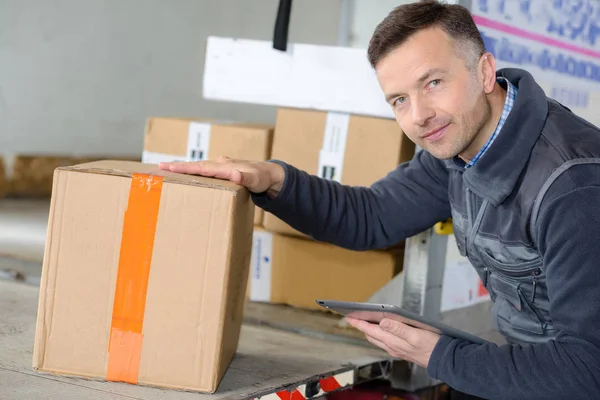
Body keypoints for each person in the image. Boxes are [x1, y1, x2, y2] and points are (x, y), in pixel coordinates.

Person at [160, 0, 600, 398]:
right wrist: (274, 179)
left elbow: (588, 369)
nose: (419, 116)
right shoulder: (458, 148)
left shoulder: (572, 186)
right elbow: (371, 217)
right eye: (399, 100)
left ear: (485, 72)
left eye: (433, 82)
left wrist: (441, 355)